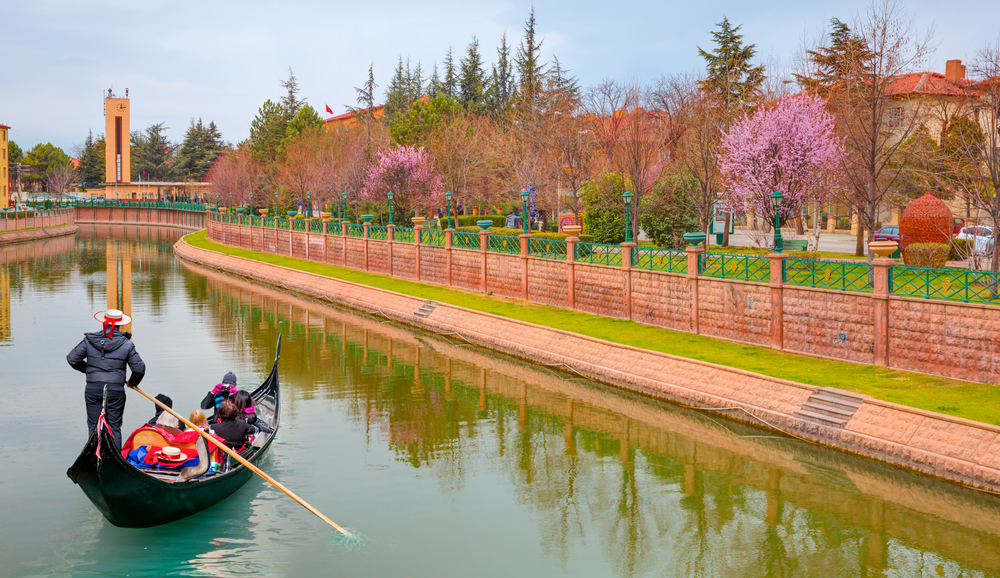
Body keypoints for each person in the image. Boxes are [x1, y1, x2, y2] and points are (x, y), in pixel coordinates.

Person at [66, 309, 146, 449]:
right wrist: (132, 383)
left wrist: (90, 370)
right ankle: (114, 461)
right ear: (120, 325)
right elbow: (139, 369)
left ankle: (94, 461)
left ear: (104, 322)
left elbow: (72, 358)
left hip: (93, 388)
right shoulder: (127, 344)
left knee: (93, 425)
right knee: (114, 427)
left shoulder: (89, 340)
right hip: (115, 389)